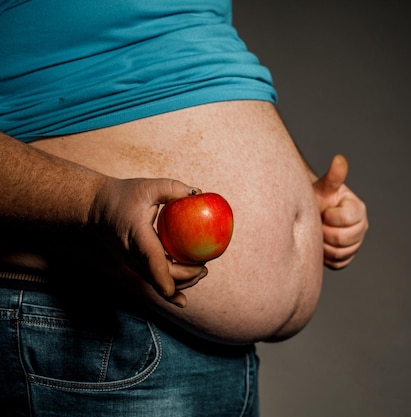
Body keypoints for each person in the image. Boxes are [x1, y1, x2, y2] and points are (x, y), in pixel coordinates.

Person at [0, 1, 368, 416]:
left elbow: (197, 69)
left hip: (219, 358)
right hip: (99, 328)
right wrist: (92, 203)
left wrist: (299, 184)